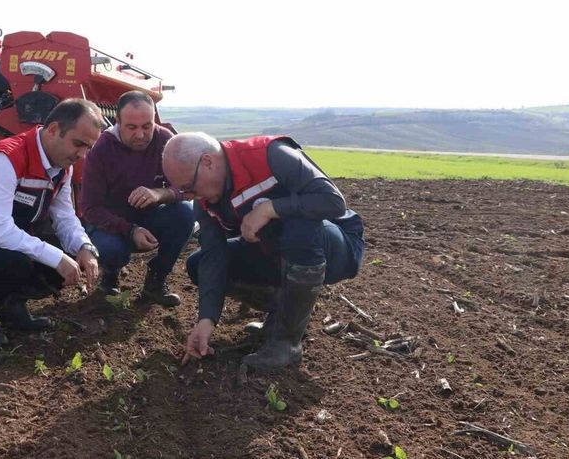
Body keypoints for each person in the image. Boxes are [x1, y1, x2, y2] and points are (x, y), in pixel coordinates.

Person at [162, 132, 365, 370]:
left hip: (336, 246)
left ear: (208, 161)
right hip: (274, 252)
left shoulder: (270, 155)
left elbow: (332, 201)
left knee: (298, 225)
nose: (190, 197)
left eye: (189, 187)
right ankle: (282, 316)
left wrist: (270, 209)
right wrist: (206, 319)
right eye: (184, 192)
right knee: (198, 264)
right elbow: (213, 255)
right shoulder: (204, 202)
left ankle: (286, 344)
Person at [0, 99, 104, 348]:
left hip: (6, 245)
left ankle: (10, 306)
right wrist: (56, 257)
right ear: (53, 130)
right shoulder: (5, 159)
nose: (81, 155)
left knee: (65, 254)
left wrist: (84, 247)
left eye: (88, 148)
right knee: (19, 262)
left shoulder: (62, 168)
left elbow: (65, 216)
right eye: (78, 144)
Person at [80, 91, 194, 307]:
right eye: (132, 127)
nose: (141, 135)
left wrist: (159, 194)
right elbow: (90, 208)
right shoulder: (101, 149)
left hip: (150, 217)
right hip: (110, 223)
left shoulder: (165, 141)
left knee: (185, 213)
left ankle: (156, 280)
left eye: (147, 126)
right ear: (117, 122)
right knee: (111, 250)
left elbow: (188, 188)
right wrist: (131, 230)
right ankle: (110, 276)